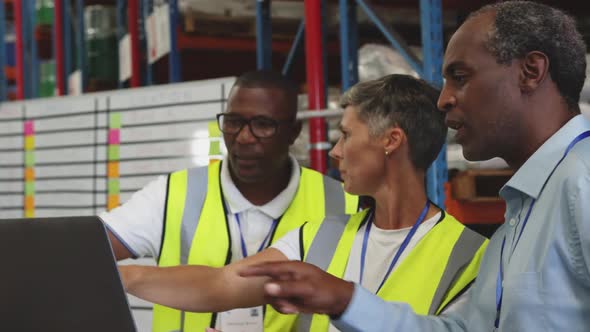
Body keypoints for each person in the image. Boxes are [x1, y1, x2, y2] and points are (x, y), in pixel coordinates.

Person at [240, 2, 590, 331]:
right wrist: (345, 301)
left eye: (461, 76)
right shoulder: (519, 219)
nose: (444, 98)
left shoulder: (581, 182)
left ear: (531, 71)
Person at [119, 74, 488, 332]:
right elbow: (221, 283)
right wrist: (122, 275)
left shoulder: (471, 259)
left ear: (390, 140)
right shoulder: (318, 237)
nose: (335, 151)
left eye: (345, 135)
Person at [100, 70, 359, 332]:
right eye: (234, 122)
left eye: (262, 125)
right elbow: (86, 248)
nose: (244, 137)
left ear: (293, 132)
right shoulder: (172, 194)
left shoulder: (343, 205)